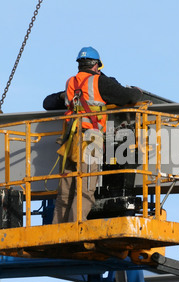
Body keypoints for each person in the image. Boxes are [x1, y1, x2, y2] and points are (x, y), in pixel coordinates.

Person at [43, 47, 143, 224]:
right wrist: (137, 92)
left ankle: (58, 228)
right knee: (86, 188)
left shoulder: (71, 83)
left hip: (70, 140)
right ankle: (76, 226)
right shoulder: (100, 82)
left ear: (79, 65)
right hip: (90, 139)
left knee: (65, 189)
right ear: (97, 65)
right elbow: (127, 97)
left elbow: (48, 102)